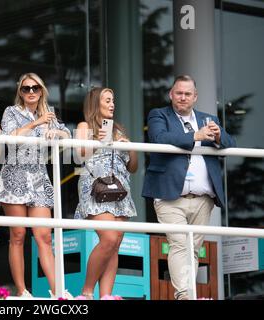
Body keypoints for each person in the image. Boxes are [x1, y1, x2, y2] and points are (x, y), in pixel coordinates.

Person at [142, 75, 236, 300]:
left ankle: (189, 294)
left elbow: (231, 144)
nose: (182, 97)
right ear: (171, 94)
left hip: (203, 197)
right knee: (180, 244)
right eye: (178, 93)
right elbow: (159, 138)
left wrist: (217, 136)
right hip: (169, 195)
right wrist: (196, 135)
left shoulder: (208, 118)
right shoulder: (159, 114)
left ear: (195, 97)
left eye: (187, 94)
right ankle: (185, 295)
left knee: (193, 248)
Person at [0, 73, 71, 298]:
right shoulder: (11, 111)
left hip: (38, 178)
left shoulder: (48, 113)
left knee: (44, 236)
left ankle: (58, 292)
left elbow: (66, 133)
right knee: (17, 234)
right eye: (26, 88)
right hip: (14, 175)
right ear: (20, 92)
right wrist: (36, 123)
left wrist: (56, 131)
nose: (30, 92)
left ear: (41, 90)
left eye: (35, 88)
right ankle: (22, 291)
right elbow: (9, 136)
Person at [74, 87, 138, 299]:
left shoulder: (118, 129)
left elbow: (133, 167)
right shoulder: (85, 126)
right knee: (109, 238)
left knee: (116, 242)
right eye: (107, 100)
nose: (112, 104)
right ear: (95, 104)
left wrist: (130, 147)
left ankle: (107, 296)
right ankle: (87, 291)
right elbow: (80, 154)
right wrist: (100, 141)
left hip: (119, 189)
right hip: (95, 186)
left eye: (113, 100)